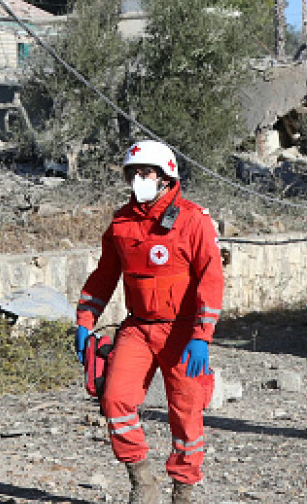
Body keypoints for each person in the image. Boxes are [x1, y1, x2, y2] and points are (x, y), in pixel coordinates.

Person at [74, 140, 224, 504]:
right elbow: (105, 275)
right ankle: (142, 481)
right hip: (138, 328)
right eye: (134, 173)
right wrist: (85, 318)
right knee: (114, 399)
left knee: (186, 414)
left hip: (182, 331)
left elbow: (211, 279)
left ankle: (183, 491)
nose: (139, 179)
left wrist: (202, 335)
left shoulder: (193, 220)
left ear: (165, 176)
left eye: (147, 172)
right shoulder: (122, 222)